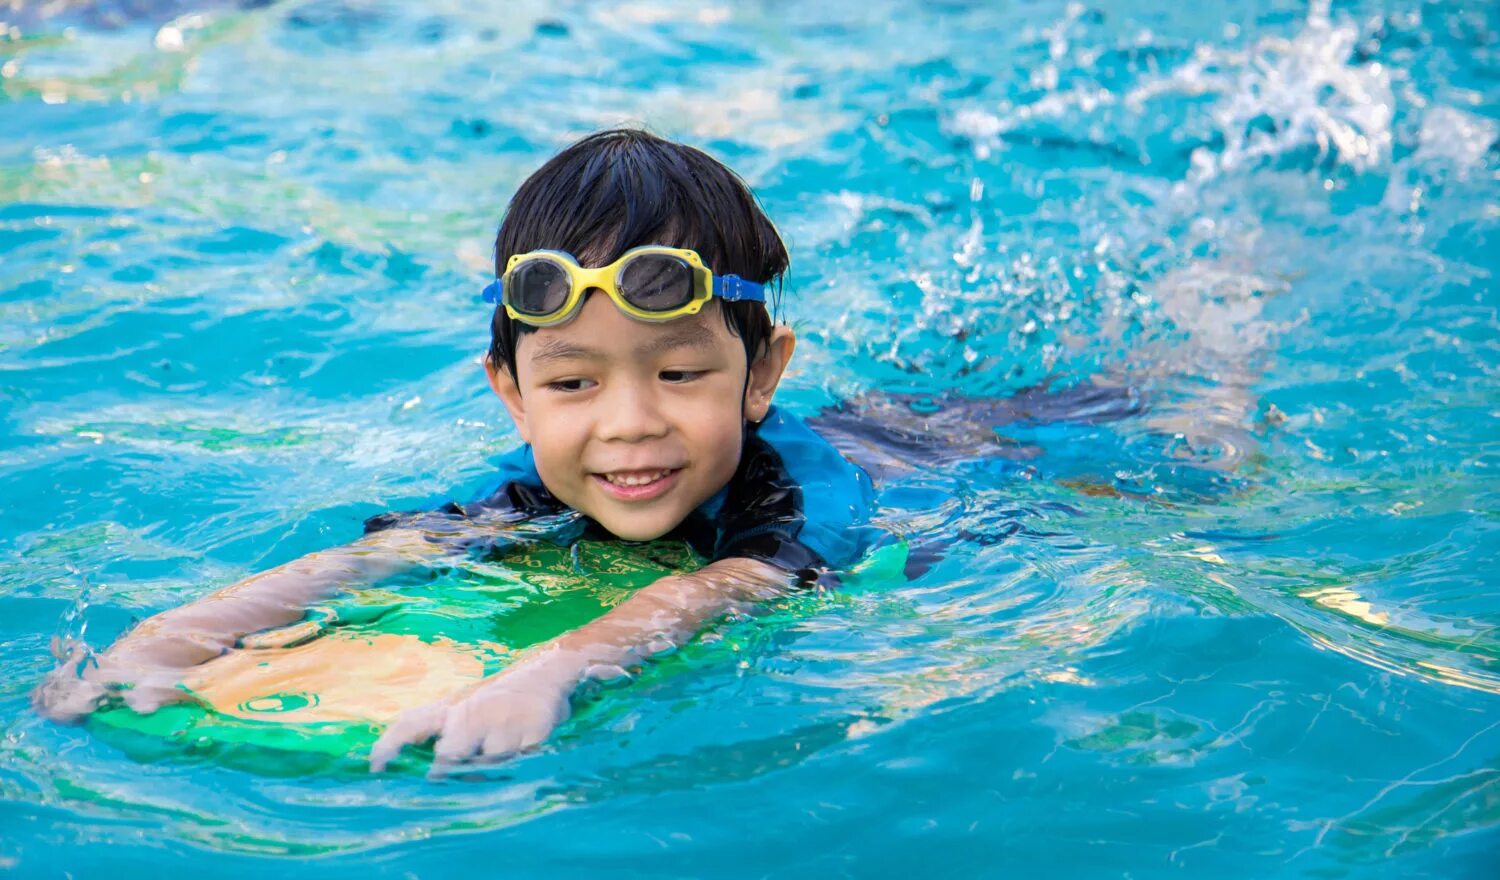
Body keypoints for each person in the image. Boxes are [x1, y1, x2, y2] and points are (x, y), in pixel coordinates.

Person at [34, 129, 888, 771]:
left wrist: (551, 671)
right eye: (572, 385)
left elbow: (728, 586)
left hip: (936, 447)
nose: (628, 423)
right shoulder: (542, 483)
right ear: (511, 394)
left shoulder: (803, 492)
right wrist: (170, 638)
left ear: (761, 374)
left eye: (679, 371)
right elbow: (378, 557)